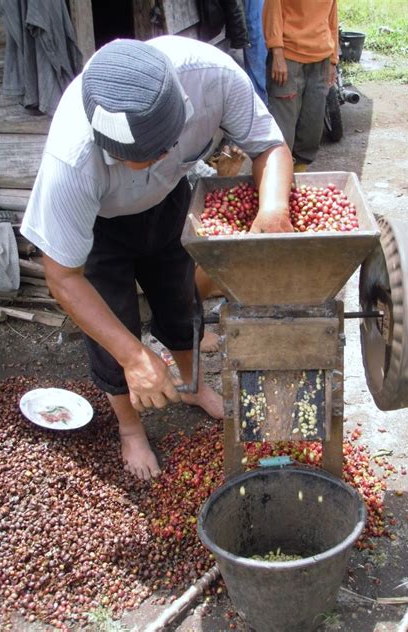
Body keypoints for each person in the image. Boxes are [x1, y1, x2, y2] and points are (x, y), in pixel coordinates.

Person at [21, 36, 293, 480]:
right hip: (100, 228)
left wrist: (273, 209)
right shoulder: (70, 162)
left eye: (167, 146)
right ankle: (130, 428)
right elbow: (63, 277)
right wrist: (133, 357)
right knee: (115, 327)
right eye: (143, 158)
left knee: (181, 301)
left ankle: (192, 386)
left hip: (168, 204)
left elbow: (269, 144)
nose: (162, 157)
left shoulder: (212, 76)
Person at [263, 0, 339, 167]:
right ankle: (279, 177)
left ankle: (299, 181)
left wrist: (333, 59)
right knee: (283, 131)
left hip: (321, 60)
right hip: (289, 59)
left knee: (311, 128)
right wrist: (277, 53)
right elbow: (272, 12)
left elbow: (332, 18)